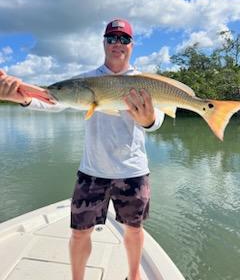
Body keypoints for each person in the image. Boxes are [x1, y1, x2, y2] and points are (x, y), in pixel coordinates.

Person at [0, 18, 164, 280]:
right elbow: (53, 99)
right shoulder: (85, 81)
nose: (117, 44)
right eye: (112, 38)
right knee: (79, 232)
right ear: (104, 43)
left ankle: (134, 277)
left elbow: (158, 118)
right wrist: (24, 98)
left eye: (123, 39)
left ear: (132, 45)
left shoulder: (145, 82)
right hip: (92, 171)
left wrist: (149, 120)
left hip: (133, 171)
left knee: (134, 228)